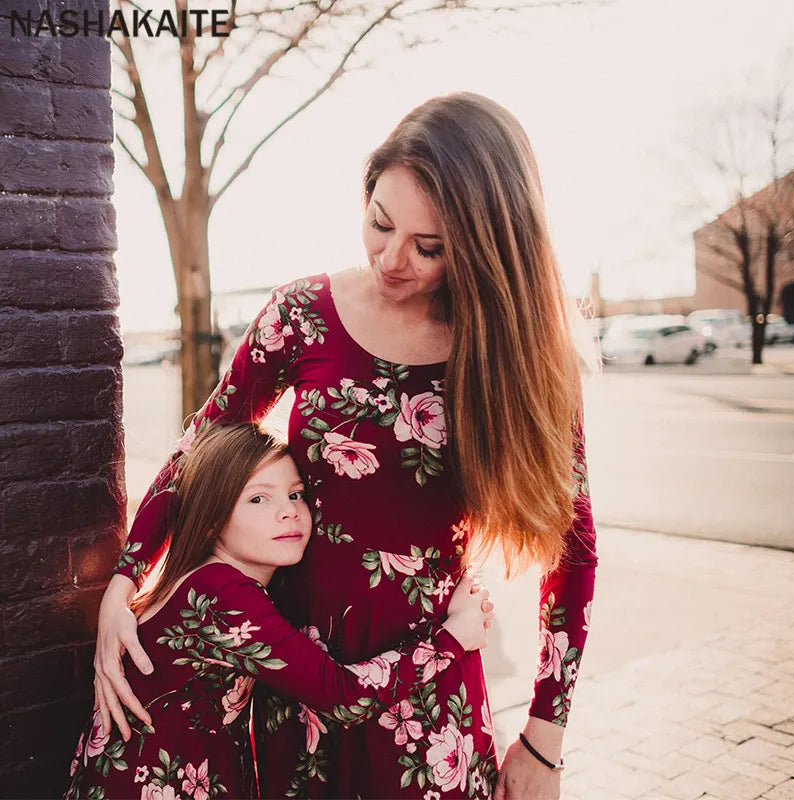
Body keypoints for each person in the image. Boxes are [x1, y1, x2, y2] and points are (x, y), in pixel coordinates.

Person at [96, 92, 598, 800]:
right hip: (293, 686)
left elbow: (571, 549)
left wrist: (544, 741)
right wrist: (125, 580)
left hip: (428, 701)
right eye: (380, 223)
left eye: (431, 247)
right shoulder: (301, 314)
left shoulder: (521, 354)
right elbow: (202, 444)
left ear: (487, 247)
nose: (393, 260)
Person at [68, 422, 492, 799]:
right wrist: (453, 637)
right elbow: (340, 696)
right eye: (258, 499)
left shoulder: (213, 581)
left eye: (295, 494)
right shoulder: (220, 593)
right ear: (212, 519)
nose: (288, 510)